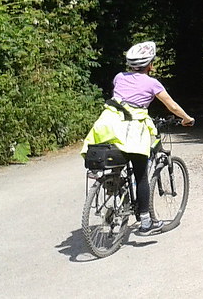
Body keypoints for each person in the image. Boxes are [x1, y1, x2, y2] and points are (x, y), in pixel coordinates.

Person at [81, 41, 195, 236]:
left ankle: (111, 183)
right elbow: (172, 106)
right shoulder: (152, 83)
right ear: (150, 64)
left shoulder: (119, 77)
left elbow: (124, 98)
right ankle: (145, 223)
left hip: (108, 125)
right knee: (141, 176)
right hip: (131, 130)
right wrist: (187, 119)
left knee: (116, 158)